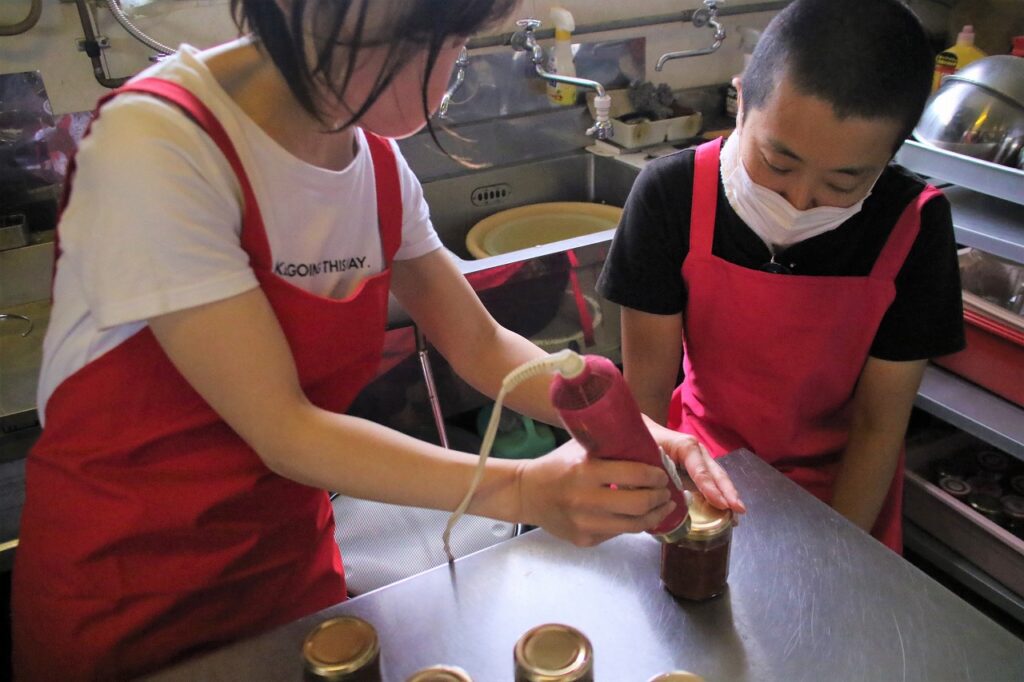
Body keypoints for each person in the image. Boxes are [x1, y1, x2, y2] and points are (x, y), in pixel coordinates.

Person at [12, 1, 746, 679]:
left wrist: (631, 430)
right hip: (127, 585)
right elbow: (283, 430)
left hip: (286, 563)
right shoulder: (158, 147)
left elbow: (482, 346)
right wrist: (523, 488)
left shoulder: (376, 168)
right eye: (428, 39)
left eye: (458, 40)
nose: (445, 74)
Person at [598, 0, 964, 553]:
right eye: (777, 163)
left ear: (891, 155)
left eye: (843, 184)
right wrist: (658, 516)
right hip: (701, 467)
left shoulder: (914, 226)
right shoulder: (671, 196)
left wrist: (837, 553)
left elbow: (877, 425)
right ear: (741, 100)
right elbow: (646, 393)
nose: (799, 201)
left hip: (843, 492)